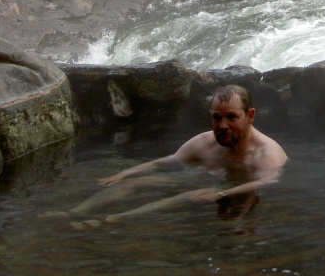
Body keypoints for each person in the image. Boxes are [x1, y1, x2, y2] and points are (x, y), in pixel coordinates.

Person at [55, 84, 288, 229]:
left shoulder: (267, 152)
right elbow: (170, 160)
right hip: (211, 181)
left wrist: (220, 193)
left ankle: (113, 220)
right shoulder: (205, 141)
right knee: (139, 182)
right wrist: (127, 172)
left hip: (241, 191)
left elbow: (267, 181)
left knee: (190, 196)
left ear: (250, 115)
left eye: (231, 117)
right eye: (217, 118)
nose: (223, 125)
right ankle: (74, 212)